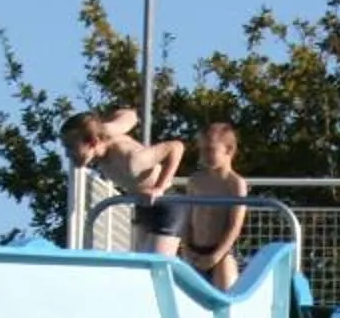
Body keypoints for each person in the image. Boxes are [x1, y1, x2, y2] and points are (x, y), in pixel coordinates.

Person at [59, 107, 184, 255]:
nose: (67, 154)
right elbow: (129, 114)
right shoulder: (104, 138)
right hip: (143, 207)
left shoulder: (130, 159)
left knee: (153, 268)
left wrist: (160, 188)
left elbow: (175, 147)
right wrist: (107, 127)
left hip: (166, 206)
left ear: (92, 142)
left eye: (71, 147)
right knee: (139, 269)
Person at [175, 121, 250, 290]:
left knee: (224, 290)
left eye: (209, 150)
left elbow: (234, 227)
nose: (203, 155)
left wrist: (216, 256)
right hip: (194, 250)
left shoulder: (234, 183)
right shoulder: (195, 181)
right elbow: (187, 220)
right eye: (201, 150)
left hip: (221, 252)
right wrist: (186, 248)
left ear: (229, 150)